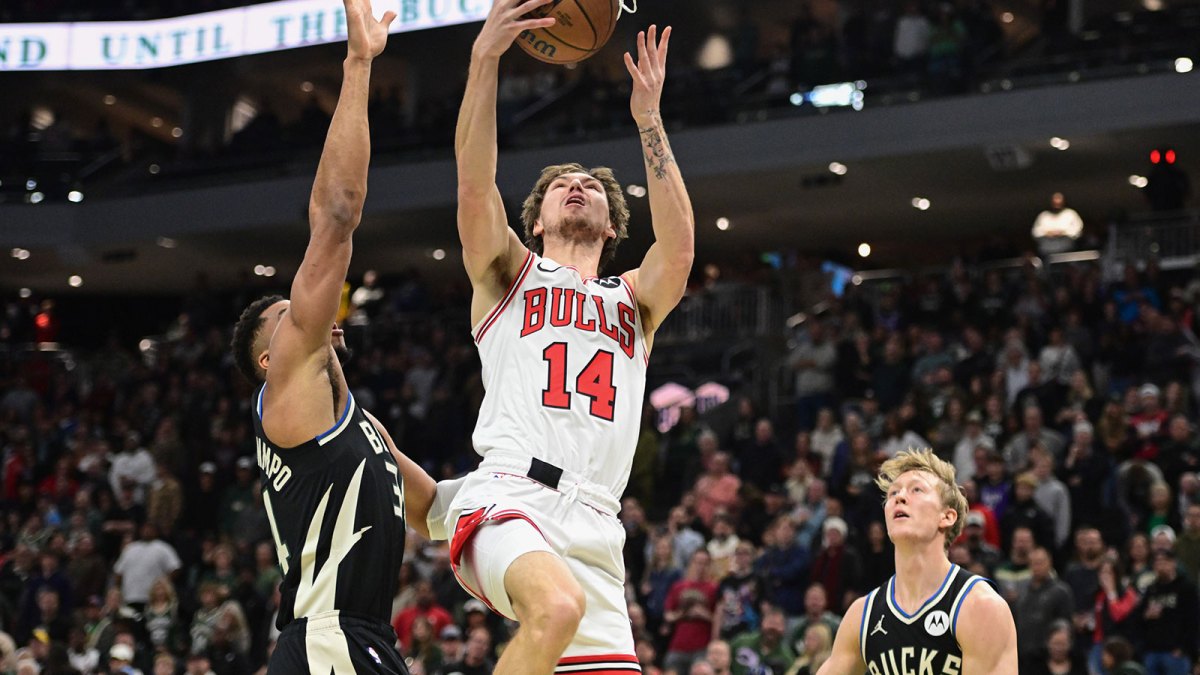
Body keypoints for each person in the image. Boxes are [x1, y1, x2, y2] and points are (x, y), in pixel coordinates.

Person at [433, 1, 694, 672]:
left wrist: (649, 119)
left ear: (611, 227)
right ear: (535, 220)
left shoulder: (633, 300)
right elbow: (473, 184)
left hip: (598, 523)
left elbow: (680, 249)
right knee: (554, 608)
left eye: (590, 186)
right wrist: (484, 58)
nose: (576, 184)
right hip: (511, 495)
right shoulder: (509, 272)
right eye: (559, 185)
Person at [228, 0, 436, 671]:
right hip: (330, 639)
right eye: (288, 315)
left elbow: (436, 510)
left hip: (356, 641)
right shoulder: (288, 388)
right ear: (270, 358)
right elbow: (338, 215)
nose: (306, 314)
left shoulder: (362, 428)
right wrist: (359, 63)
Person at [817, 449, 1017, 674]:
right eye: (893, 493)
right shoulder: (863, 614)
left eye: (916, 489)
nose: (899, 497)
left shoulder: (980, 606)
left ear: (947, 516)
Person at [1031, 192, 1083, 256]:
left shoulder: (1070, 214)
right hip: (1047, 252)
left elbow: (1078, 231)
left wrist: (1063, 232)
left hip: (1067, 251)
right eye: (1055, 202)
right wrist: (1047, 233)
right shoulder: (1044, 216)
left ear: (1063, 202)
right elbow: (1035, 232)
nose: (1057, 204)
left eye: (1059, 202)